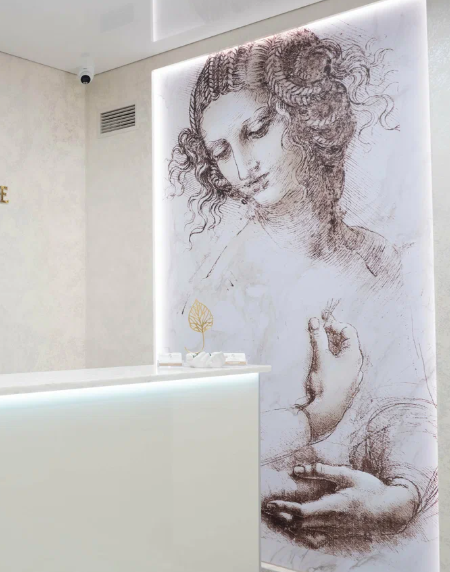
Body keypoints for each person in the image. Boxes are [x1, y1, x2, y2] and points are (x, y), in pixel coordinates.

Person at [167, 29, 437, 554]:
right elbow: (199, 439)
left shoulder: (377, 259)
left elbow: (407, 401)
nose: (242, 166)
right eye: (221, 152)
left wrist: (402, 494)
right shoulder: (222, 285)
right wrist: (317, 418)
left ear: (306, 111)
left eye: (256, 131)